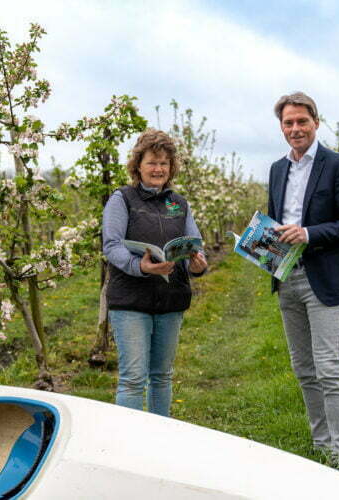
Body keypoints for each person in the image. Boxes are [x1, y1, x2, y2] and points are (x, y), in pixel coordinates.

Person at [267, 92, 339, 474]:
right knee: (304, 368)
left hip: (323, 275)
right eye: (288, 123)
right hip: (287, 276)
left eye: (301, 122)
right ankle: (321, 446)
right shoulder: (278, 169)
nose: (295, 129)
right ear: (282, 127)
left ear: (315, 123)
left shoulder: (337, 166)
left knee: (330, 367)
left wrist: (308, 234)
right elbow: (277, 218)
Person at [102, 128, 207, 417]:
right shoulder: (122, 200)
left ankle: (161, 440)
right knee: (133, 379)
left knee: (162, 376)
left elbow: (194, 244)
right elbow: (111, 245)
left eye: (164, 163)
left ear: (171, 167)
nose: (158, 169)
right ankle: (129, 447)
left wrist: (198, 264)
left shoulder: (179, 203)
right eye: (152, 162)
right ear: (138, 165)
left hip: (170, 300)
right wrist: (140, 266)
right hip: (131, 300)